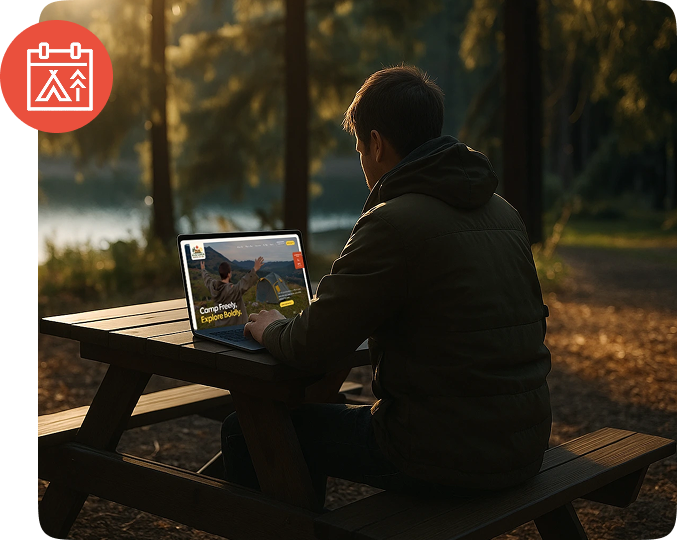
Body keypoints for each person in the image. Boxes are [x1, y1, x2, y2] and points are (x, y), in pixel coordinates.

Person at [223, 65, 551, 507]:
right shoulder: (503, 212)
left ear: (376, 143)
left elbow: (313, 345)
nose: (361, 159)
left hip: (443, 455)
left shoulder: (393, 222)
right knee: (312, 419)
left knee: (248, 431)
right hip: (523, 443)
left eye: (359, 146)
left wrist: (270, 326)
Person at [200, 256, 264, 326]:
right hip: (235, 328)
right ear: (229, 274)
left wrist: (203, 269)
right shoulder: (232, 290)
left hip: (220, 327)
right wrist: (254, 269)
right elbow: (243, 283)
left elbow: (207, 279)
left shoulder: (213, 287)